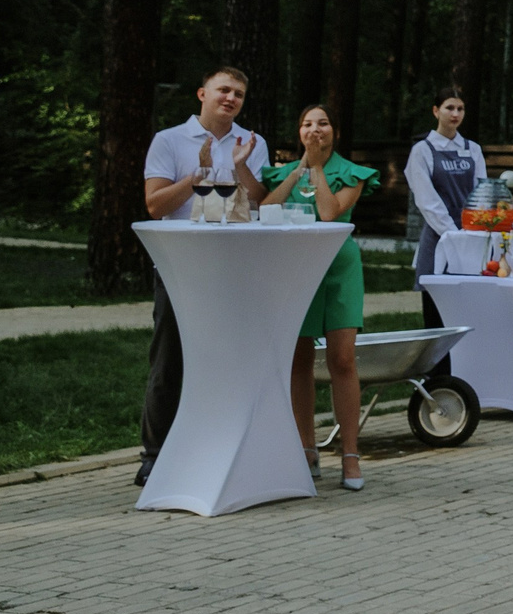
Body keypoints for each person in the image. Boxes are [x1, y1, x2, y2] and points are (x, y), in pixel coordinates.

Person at [137, 66, 264, 485]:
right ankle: (155, 458)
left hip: (234, 267)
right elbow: (155, 205)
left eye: (239, 94)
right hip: (181, 267)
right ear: (202, 94)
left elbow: (260, 203)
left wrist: (241, 167)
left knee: (227, 363)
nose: (231, 99)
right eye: (223, 90)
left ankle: (215, 453)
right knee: (169, 362)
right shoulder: (170, 140)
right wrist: (198, 176)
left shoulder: (252, 142)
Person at [262, 105, 377, 490]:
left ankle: (349, 454)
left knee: (342, 359)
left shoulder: (353, 173)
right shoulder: (283, 173)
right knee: (299, 359)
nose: (315, 129)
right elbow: (265, 209)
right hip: (296, 269)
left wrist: (317, 169)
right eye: (308, 124)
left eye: (323, 123)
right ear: (299, 132)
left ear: (335, 132)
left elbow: (329, 214)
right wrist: (299, 169)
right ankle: (306, 450)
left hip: (339, 268)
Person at [406, 87, 485, 375]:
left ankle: (469, 375)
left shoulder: (472, 149)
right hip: (439, 243)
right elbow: (426, 200)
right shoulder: (422, 151)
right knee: (436, 318)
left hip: (471, 240)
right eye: (450, 108)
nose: (455, 114)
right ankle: (438, 381)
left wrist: (473, 230)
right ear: (435, 111)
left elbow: (482, 192)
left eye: (460, 109)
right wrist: (453, 234)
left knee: (468, 313)